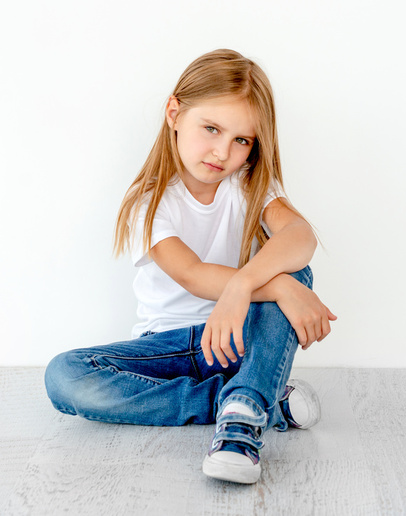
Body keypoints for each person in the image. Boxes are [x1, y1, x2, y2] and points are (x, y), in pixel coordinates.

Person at [44, 49, 336, 484]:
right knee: (64, 376)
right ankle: (248, 402)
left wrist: (249, 288)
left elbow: (301, 236)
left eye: (242, 140)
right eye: (212, 129)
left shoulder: (250, 185)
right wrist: (266, 286)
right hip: (171, 349)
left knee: (294, 273)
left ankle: (242, 419)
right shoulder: (151, 203)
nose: (222, 151)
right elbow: (193, 274)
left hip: (241, 340)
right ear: (174, 112)